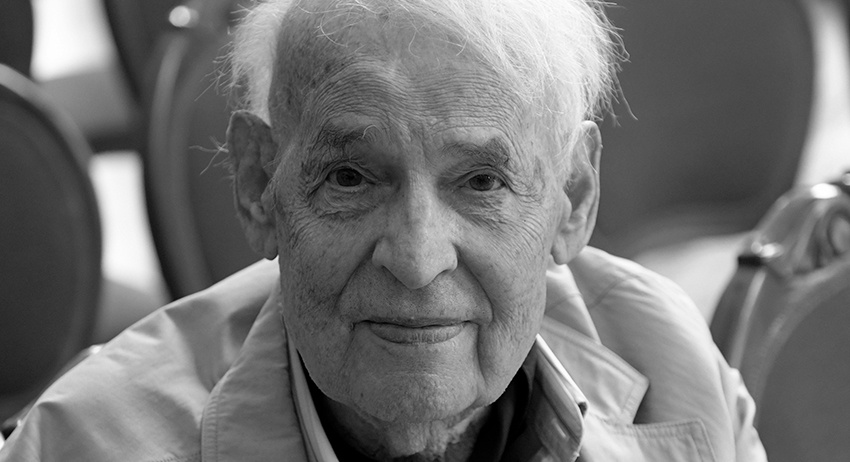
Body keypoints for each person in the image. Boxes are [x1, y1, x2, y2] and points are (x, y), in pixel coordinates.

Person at [0, 0, 767, 460]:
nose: (418, 259)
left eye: (481, 182)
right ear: (260, 186)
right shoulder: (89, 446)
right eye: (351, 178)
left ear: (573, 196)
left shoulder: (673, 367)